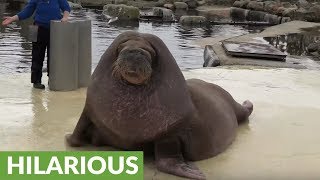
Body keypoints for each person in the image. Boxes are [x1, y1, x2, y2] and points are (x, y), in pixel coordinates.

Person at [2, 0, 71, 89]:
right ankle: (36, 81)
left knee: (55, 57)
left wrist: (65, 17)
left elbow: (66, 8)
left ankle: (53, 80)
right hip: (36, 29)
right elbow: (27, 12)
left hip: (55, 29)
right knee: (36, 56)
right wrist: (12, 18)